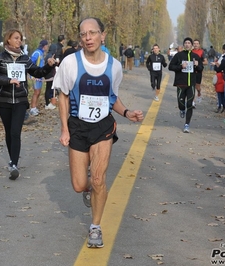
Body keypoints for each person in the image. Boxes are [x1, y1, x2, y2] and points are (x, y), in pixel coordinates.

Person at [53, 17, 144, 248]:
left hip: (103, 125)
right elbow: (63, 96)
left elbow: (111, 98)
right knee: (79, 184)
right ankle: (89, 188)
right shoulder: (70, 63)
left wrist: (127, 112)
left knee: (99, 178)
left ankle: (95, 227)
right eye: (83, 34)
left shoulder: (114, 66)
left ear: (103, 35)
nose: (88, 38)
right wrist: (64, 129)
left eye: (92, 33)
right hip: (78, 126)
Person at [0, 29, 56, 180]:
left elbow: (37, 72)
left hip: (20, 100)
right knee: (9, 131)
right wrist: (8, 80)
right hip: (4, 101)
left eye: (21, 39)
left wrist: (49, 66)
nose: (19, 41)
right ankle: (12, 160)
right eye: (16, 38)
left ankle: (14, 164)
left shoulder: (24, 58)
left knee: (15, 132)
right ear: (8, 40)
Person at [169, 37, 203, 133]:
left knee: (190, 104)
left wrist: (197, 65)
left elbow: (201, 68)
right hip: (181, 83)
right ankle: (181, 109)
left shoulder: (195, 56)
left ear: (192, 45)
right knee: (181, 104)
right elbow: (170, 66)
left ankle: (187, 124)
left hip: (191, 83)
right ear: (183, 45)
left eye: (189, 43)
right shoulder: (178, 55)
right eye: (186, 43)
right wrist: (180, 66)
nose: (187, 44)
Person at [29, 40, 49, 116]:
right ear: (44, 46)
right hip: (35, 76)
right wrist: (32, 74)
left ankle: (35, 107)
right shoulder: (37, 53)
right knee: (36, 92)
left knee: (39, 92)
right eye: (47, 45)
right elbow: (31, 62)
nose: (47, 47)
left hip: (40, 76)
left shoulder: (41, 53)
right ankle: (32, 108)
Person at [192, 39, 207, 104]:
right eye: (194, 43)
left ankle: (199, 93)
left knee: (197, 87)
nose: (195, 45)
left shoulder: (202, 52)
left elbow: (206, 62)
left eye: (197, 43)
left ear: (199, 45)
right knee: (191, 86)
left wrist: (199, 63)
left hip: (198, 71)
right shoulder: (191, 51)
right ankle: (192, 101)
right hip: (191, 71)